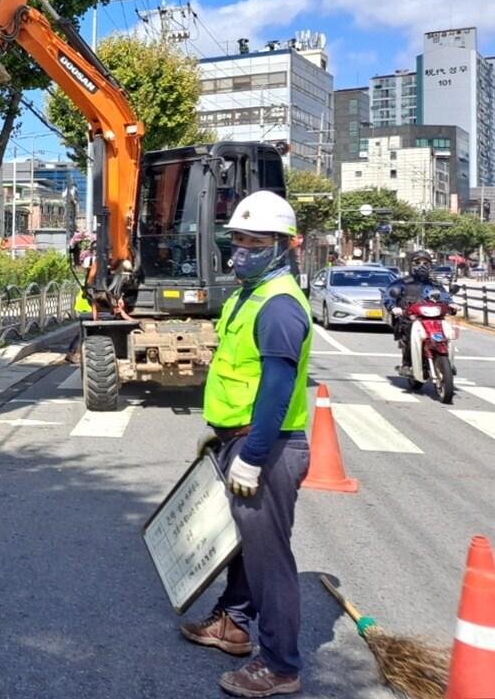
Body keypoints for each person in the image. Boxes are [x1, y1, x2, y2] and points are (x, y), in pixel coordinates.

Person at [180, 190, 311, 698]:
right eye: (237, 239)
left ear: (284, 246)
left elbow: (277, 389)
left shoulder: (278, 305)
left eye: (256, 241)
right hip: (241, 437)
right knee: (241, 542)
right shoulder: (247, 294)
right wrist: (221, 432)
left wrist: (253, 457)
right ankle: (233, 624)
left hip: (269, 447)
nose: (242, 249)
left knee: (267, 557)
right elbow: (243, 376)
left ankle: (280, 665)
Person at [384, 249, 452, 375]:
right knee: (410, 333)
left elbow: (445, 297)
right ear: (411, 264)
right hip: (409, 319)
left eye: (425, 263)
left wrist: (452, 304)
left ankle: (447, 360)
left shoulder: (435, 284)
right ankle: (407, 364)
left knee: (446, 333)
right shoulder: (401, 282)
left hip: (432, 319)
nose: (422, 265)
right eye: (418, 262)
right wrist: (394, 308)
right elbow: (389, 296)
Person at [66, 233, 94, 364]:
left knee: (83, 329)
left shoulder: (90, 263)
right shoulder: (91, 264)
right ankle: (74, 352)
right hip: (87, 302)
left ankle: (73, 352)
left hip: (87, 301)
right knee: (83, 330)